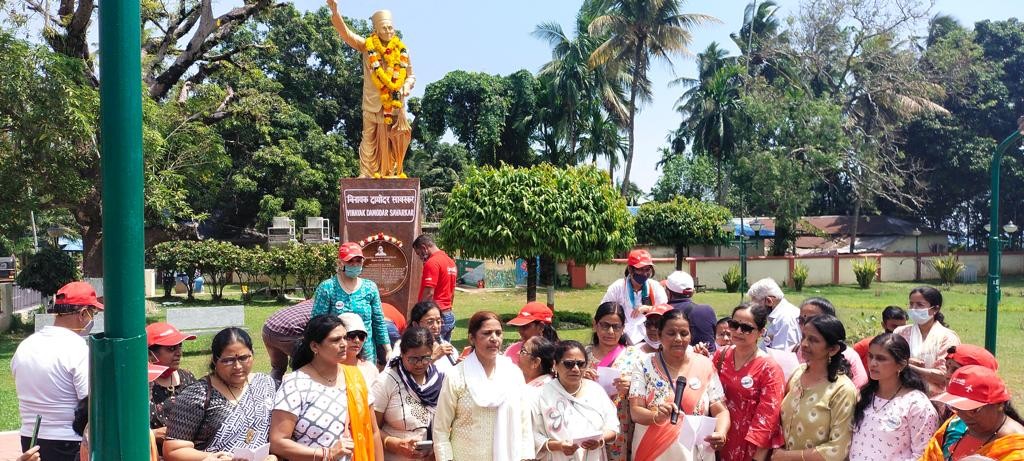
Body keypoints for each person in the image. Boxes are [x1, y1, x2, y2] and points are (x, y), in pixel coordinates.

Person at [269, 315, 385, 461]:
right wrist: (326, 454)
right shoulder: (296, 384)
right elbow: (278, 442)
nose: (344, 344)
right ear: (314, 346)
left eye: (345, 338)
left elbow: (373, 432)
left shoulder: (355, 378)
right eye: (336, 340)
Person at [12, 281, 101, 459]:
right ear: (83, 313)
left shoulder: (25, 346)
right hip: (68, 442)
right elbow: (89, 403)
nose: (92, 319)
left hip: (30, 439)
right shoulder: (77, 348)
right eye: (93, 313)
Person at [326, 0, 415, 177]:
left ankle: (392, 173)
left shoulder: (403, 51)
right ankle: (366, 174)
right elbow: (347, 34)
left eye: (390, 28)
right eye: (384, 28)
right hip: (372, 102)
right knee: (369, 138)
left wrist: (405, 86)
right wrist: (335, 13)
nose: (388, 31)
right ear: (376, 30)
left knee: (393, 140)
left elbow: (411, 76)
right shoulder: (367, 46)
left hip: (394, 104)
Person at [628, 309, 730, 461]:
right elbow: (635, 412)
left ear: (690, 336)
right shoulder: (644, 364)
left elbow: (720, 409)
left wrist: (721, 433)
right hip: (653, 451)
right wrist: (656, 416)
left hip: (694, 453)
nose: (678, 339)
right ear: (660, 335)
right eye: (671, 333)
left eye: (684, 333)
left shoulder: (705, 365)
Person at [164, 327, 278, 460]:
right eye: (228, 360)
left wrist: (275, 456)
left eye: (244, 358)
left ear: (252, 354)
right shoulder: (198, 394)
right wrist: (211, 457)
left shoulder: (265, 384)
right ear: (214, 360)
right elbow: (173, 450)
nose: (238, 366)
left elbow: (281, 435)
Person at [433, 311, 532, 460]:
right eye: (487, 333)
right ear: (472, 338)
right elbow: (441, 428)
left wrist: (526, 457)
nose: (494, 339)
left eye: (498, 333)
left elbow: (524, 422)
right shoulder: (457, 376)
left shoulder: (513, 374)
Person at [773, 315, 857, 461]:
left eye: (813, 340)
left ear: (833, 349)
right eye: (804, 337)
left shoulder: (842, 390)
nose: (804, 344)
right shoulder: (798, 373)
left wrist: (788, 456)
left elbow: (838, 449)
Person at [713, 303, 785, 461]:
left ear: (761, 332)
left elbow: (768, 420)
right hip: (719, 439)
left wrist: (757, 458)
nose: (738, 331)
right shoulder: (720, 356)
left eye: (746, 328)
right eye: (734, 325)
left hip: (748, 448)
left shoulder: (769, 368)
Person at [849, 333, 938, 461]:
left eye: (881, 359)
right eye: (870, 356)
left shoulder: (917, 405)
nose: (872, 363)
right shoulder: (865, 395)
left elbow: (924, 455)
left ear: (901, 365)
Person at [531, 340, 619, 461]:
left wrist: (600, 440)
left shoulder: (596, 391)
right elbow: (530, 434)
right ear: (555, 364)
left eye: (581, 364)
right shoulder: (541, 395)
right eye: (569, 364)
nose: (575, 369)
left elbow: (613, 426)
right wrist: (558, 445)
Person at [583, 302, 646, 461]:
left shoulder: (635, 356)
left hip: (621, 423)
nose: (610, 331)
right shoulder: (583, 355)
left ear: (623, 328)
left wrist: (631, 387)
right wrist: (580, 380)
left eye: (616, 327)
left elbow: (647, 390)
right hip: (589, 423)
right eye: (605, 325)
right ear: (595, 325)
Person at [372, 326, 444, 460]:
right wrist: (395, 444)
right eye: (413, 359)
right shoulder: (386, 381)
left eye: (425, 358)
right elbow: (371, 427)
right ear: (402, 354)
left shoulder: (438, 379)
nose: (419, 364)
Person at [312, 241, 392, 364]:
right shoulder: (328, 287)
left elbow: (378, 321)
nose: (354, 264)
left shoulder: (370, 287)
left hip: (365, 352)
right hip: (337, 353)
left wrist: (388, 349)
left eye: (358, 261)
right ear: (340, 263)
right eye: (350, 261)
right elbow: (317, 323)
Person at [922, 365, 1024, 460]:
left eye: (973, 410)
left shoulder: (1017, 449)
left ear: (999, 404)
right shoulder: (956, 424)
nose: (963, 416)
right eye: (956, 407)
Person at [894, 286, 960, 396]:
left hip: (935, 399)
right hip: (902, 395)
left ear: (935, 309)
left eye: (920, 305)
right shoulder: (900, 333)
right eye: (911, 304)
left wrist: (907, 366)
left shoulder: (947, 337)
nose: (913, 309)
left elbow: (944, 376)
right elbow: (890, 363)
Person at [146, 321, 198, 453]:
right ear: (150, 353)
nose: (179, 353)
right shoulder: (142, 384)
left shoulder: (187, 377)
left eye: (180, 346)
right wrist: (153, 434)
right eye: (171, 348)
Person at [796, 297, 869, 388]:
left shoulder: (849, 357)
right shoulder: (798, 351)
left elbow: (858, 388)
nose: (806, 325)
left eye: (814, 320)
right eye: (801, 320)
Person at [600, 249, 667, 346]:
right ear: (630, 269)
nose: (644, 273)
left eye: (647, 269)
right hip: (622, 337)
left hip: (650, 336)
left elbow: (665, 311)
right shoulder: (618, 287)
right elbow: (604, 311)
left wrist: (648, 308)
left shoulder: (655, 287)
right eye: (640, 269)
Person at [413, 234, 458, 341]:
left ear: (424, 248)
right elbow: (452, 292)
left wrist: (418, 315)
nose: (420, 257)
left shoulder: (432, 262)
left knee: (430, 348)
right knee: (445, 349)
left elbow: (429, 293)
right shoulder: (450, 262)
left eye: (419, 253)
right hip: (448, 314)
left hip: (434, 317)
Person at [663, 271, 718, 352]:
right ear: (692, 292)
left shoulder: (662, 312)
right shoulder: (706, 310)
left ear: (668, 292)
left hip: (673, 358)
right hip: (707, 358)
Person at [262, 299, 314, 381]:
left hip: (268, 327)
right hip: (288, 332)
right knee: (307, 365)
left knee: (278, 368)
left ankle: (271, 387)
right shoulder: (326, 309)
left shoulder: (311, 301)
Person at [746, 278, 801, 351]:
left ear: (769, 301)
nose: (755, 310)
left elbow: (783, 354)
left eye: (756, 306)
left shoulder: (785, 319)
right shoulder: (778, 316)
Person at [852, 305, 907, 370]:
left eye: (903, 327)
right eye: (894, 326)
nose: (899, 330)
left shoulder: (908, 347)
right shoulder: (866, 345)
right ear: (883, 325)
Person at [339, 312, 381, 386]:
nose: (357, 340)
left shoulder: (370, 369)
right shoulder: (328, 368)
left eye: (361, 336)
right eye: (351, 335)